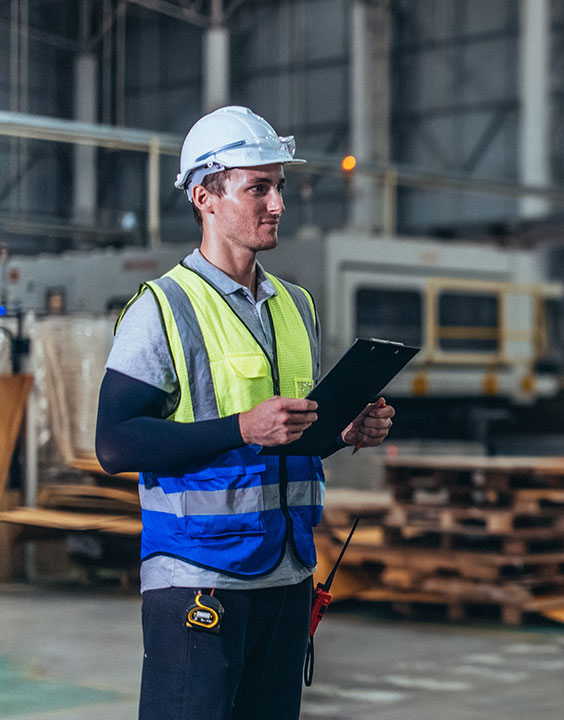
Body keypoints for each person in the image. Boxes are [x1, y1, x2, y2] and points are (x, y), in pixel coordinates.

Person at [95, 105, 396, 720]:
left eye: (279, 187)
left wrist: (342, 431)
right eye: (258, 188)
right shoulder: (164, 308)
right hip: (197, 576)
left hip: (287, 574)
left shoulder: (296, 305)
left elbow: (288, 437)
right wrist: (241, 427)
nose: (277, 204)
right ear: (205, 196)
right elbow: (115, 444)